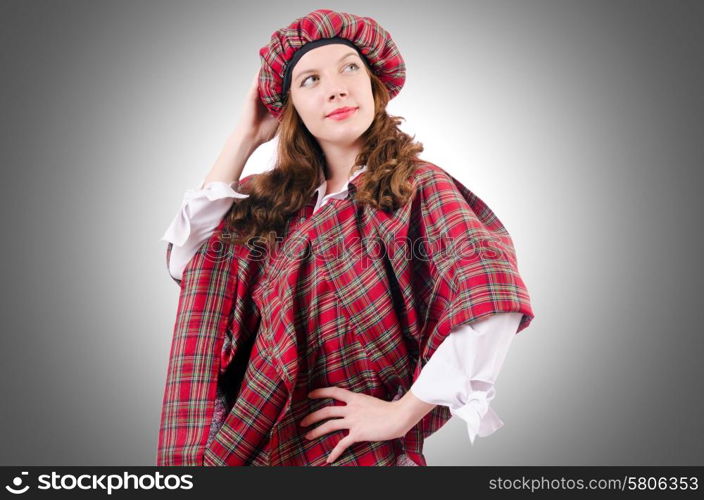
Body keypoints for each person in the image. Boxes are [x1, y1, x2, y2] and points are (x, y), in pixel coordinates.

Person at [157, 9, 534, 466]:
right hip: (257, 447)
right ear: (290, 106)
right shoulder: (273, 204)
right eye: (310, 79)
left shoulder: (416, 186)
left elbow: (491, 297)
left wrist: (403, 414)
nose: (336, 87)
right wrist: (244, 136)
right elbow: (192, 263)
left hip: (355, 450)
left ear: (373, 83)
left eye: (349, 67)